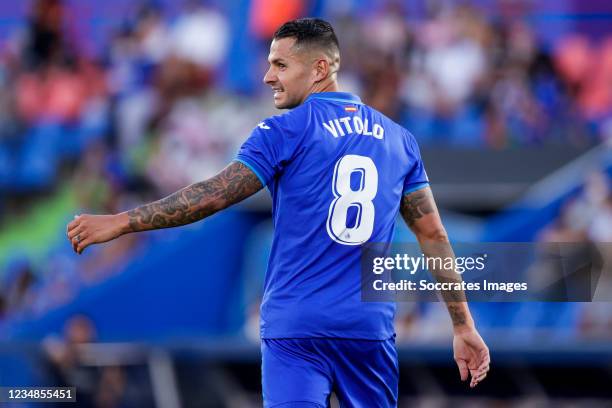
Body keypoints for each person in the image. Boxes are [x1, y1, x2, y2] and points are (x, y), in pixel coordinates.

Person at [67, 18, 490, 408]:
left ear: (320, 68)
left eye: (280, 65)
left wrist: (123, 221)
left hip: (296, 326)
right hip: (367, 329)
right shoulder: (400, 140)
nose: (268, 76)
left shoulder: (284, 130)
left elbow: (214, 195)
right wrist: (462, 326)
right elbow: (433, 237)